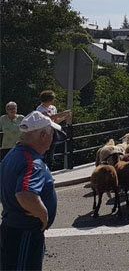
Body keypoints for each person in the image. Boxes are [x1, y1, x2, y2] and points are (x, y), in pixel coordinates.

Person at [0, 111, 60, 270]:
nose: (53, 138)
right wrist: (44, 215)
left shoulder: (13, 154)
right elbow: (25, 194)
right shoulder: (32, 162)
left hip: (11, 227)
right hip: (25, 231)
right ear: (42, 135)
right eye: (51, 133)